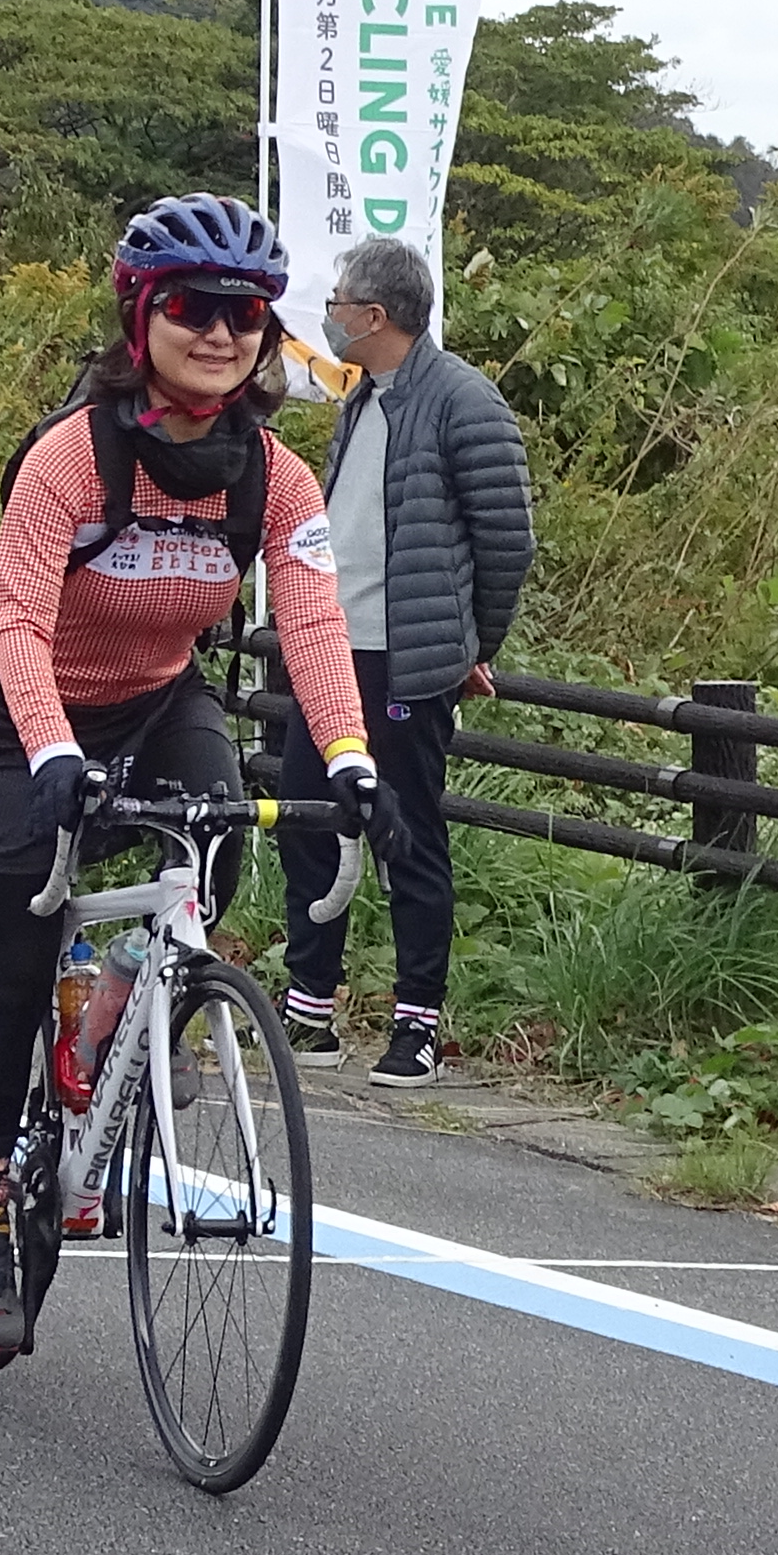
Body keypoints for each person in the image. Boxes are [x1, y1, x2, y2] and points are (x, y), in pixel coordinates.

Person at [0, 194, 380, 1350]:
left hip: (158, 697)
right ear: (141, 317)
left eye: (246, 314)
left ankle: (133, 998)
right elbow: (16, 622)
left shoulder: (277, 477)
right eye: (192, 308)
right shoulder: (68, 458)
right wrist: (48, 750)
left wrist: (349, 754)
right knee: (19, 953)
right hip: (25, 712)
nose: (221, 332)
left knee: (219, 839)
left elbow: (318, 624)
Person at [268, 237, 530, 1086]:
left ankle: (416, 1022)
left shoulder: (464, 402)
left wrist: (469, 648)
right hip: (327, 652)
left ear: (373, 315)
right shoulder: (363, 398)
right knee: (309, 818)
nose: (330, 315)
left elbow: (507, 544)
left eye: (339, 301)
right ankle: (310, 1006)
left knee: (407, 836)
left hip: (403, 659)